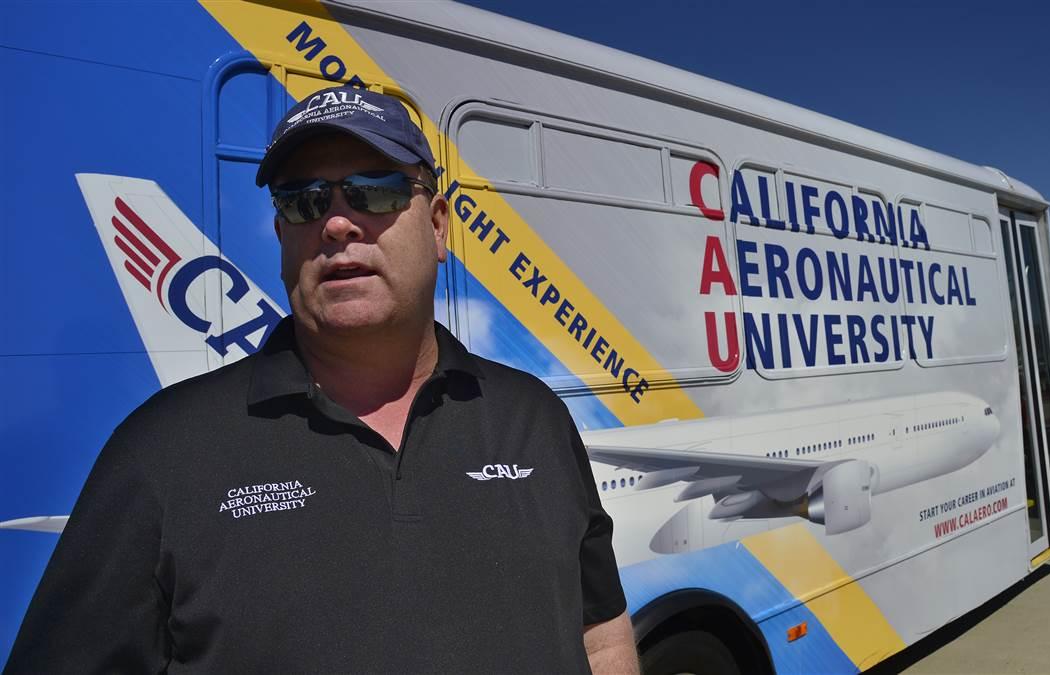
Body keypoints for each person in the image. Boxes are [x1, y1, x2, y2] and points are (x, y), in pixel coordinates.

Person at [7, 86, 637, 673]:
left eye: (378, 190)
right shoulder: (161, 453)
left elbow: (601, 633)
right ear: (283, 235)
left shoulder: (535, 419)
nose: (337, 223)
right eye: (305, 200)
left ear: (439, 226)